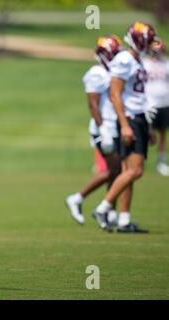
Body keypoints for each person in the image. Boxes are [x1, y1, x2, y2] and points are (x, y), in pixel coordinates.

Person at [92, 22, 158, 233]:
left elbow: (137, 95)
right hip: (129, 119)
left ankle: (123, 220)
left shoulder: (136, 60)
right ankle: (103, 207)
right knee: (136, 170)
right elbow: (115, 94)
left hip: (137, 119)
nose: (148, 46)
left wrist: (147, 126)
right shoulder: (123, 59)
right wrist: (124, 125)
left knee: (128, 171)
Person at [66, 35, 122, 225]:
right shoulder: (96, 73)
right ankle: (79, 198)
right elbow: (93, 104)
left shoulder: (113, 73)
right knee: (117, 169)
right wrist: (103, 128)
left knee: (116, 171)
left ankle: (109, 211)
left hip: (115, 126)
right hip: (103, 128)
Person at [143, 40, 169, 176]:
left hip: (165, 103)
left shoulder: (167, 64)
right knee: (145, 134)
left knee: (163, 134)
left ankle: (161, 162)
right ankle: (141, 160)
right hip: (149, 105)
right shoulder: (145, 64)